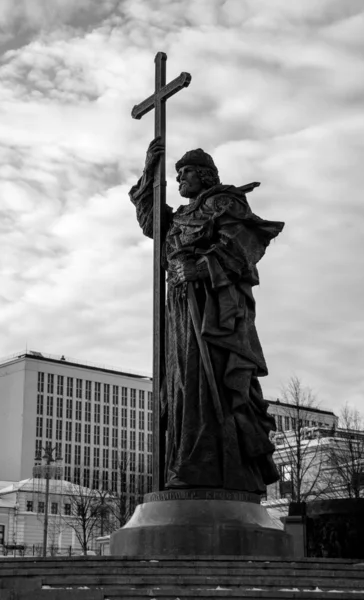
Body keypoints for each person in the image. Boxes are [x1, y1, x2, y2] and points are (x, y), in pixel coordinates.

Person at [129, 138, 284, 493]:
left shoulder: (222, 203)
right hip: (181, 309)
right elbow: (152, 223)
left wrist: (201, 268)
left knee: (206, 380)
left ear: (204, 175)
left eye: (184, 173)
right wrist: (150, 173)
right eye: (176, 174)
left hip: (213, 310)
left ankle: (211, 466)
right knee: (181, 385)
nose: (179, 180)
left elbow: (243, 247)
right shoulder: (181, 216)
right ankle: (185, 462)